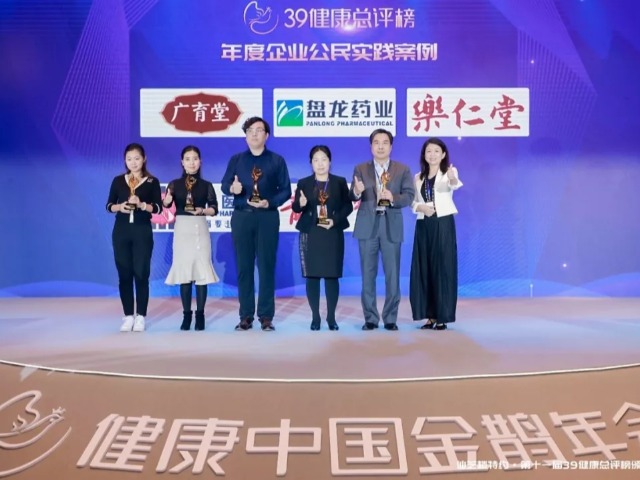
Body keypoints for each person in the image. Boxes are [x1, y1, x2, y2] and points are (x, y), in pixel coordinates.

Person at [221, 116, 291, 332]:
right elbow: (224, 185)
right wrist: (232, 189)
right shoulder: (236, 160)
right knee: (244, 267)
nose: (254, 134)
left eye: (259, 130)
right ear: (245, 136)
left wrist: (270, 202)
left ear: (266, 135)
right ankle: (246, 315)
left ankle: (266, 316)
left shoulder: (277, 161)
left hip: (267, 217)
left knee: (267, 266)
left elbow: (286, 190)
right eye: (250, 130)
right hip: (242, 216)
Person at [349, 129, 415, 331]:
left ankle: (390, 318)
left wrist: (393, 197)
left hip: (390, 226)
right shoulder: (361, 168)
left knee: (392, 276)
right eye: (376, 142)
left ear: (391, 146)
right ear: (371, 146)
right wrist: (356, 191)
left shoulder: (402, 169)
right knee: (367, 276)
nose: (380, 146)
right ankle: (370, 318)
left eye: (385, 142)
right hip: (367, 226)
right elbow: (352, 196)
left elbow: (409, 196)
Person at [292, 146, 353, 331]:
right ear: (311, 163)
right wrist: (300, 203)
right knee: (312, 277)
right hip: (310, 233)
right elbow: (296, 208)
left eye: (324, 159)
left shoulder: (339, 182)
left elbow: (348, 206)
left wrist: (334, 220)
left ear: (330, 162)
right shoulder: (304, 183)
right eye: (316, 160)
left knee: (331, 276)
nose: (320, 164)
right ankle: (315, 318)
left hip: (332, 233)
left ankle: (331, 318)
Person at [106, 143, 162, 332]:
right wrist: (120, 207)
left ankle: (141, 317)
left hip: (142, 232)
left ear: (144, 159)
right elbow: (109, 205)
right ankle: (128, 315)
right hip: (121, 231)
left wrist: (141, 204)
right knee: (124, 275)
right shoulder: (118, 181)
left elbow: (158, 208)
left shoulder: (152, 182)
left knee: (141, 274)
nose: (133, 162)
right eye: (129, 159)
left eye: (137, 158)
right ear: (125, 160)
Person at [164, 146, 219, 331]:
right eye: (187, 159)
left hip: (200, 228)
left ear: (200, 162)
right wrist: (166, 200)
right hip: (182, 230)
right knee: (185, 274)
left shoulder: (206, 185)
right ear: (182, 162)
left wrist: (203, 210)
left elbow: (214, 208)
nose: (191, 162)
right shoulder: (174, 184)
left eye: (195, 158)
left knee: (201, 273)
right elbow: (166, 204)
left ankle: (200, 315)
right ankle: (186, 315)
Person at [409, 137, 463, 330]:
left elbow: (454, 184)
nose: (432, 155)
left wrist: (452, 177)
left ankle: (442, 316)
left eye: (436, 151)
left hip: (443, 223)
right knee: (425, 269)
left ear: (443, 154)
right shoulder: (418, 177)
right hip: (424, 224)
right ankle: (429, 316)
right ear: (424, 155)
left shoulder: (448, 172)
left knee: (443, 268)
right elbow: (412, 201)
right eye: (429, 151)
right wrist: (420, 207)